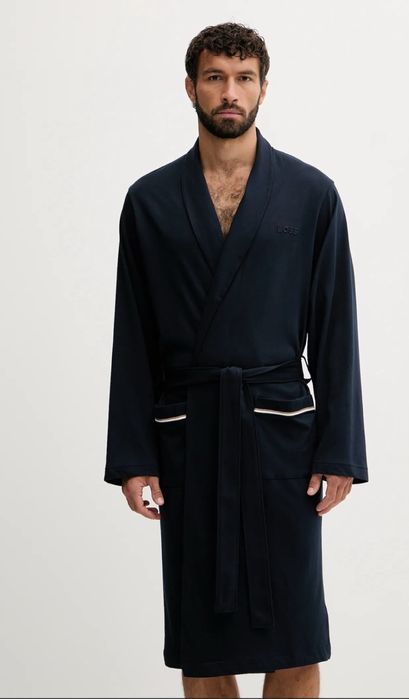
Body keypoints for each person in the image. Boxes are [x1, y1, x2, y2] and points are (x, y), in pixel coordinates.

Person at [104, 21, 368, 699]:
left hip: (281, 438)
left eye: (244, 78)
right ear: (190, 87)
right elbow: (133, 335)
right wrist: (133, 455)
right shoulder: (150, 201)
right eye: (216, 77)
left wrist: (339, 449)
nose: (230, 92)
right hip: (190, 437)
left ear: (263, 89)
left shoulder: (311, 194)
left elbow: (335, 329)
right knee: (202, 644)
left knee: (297, 635)